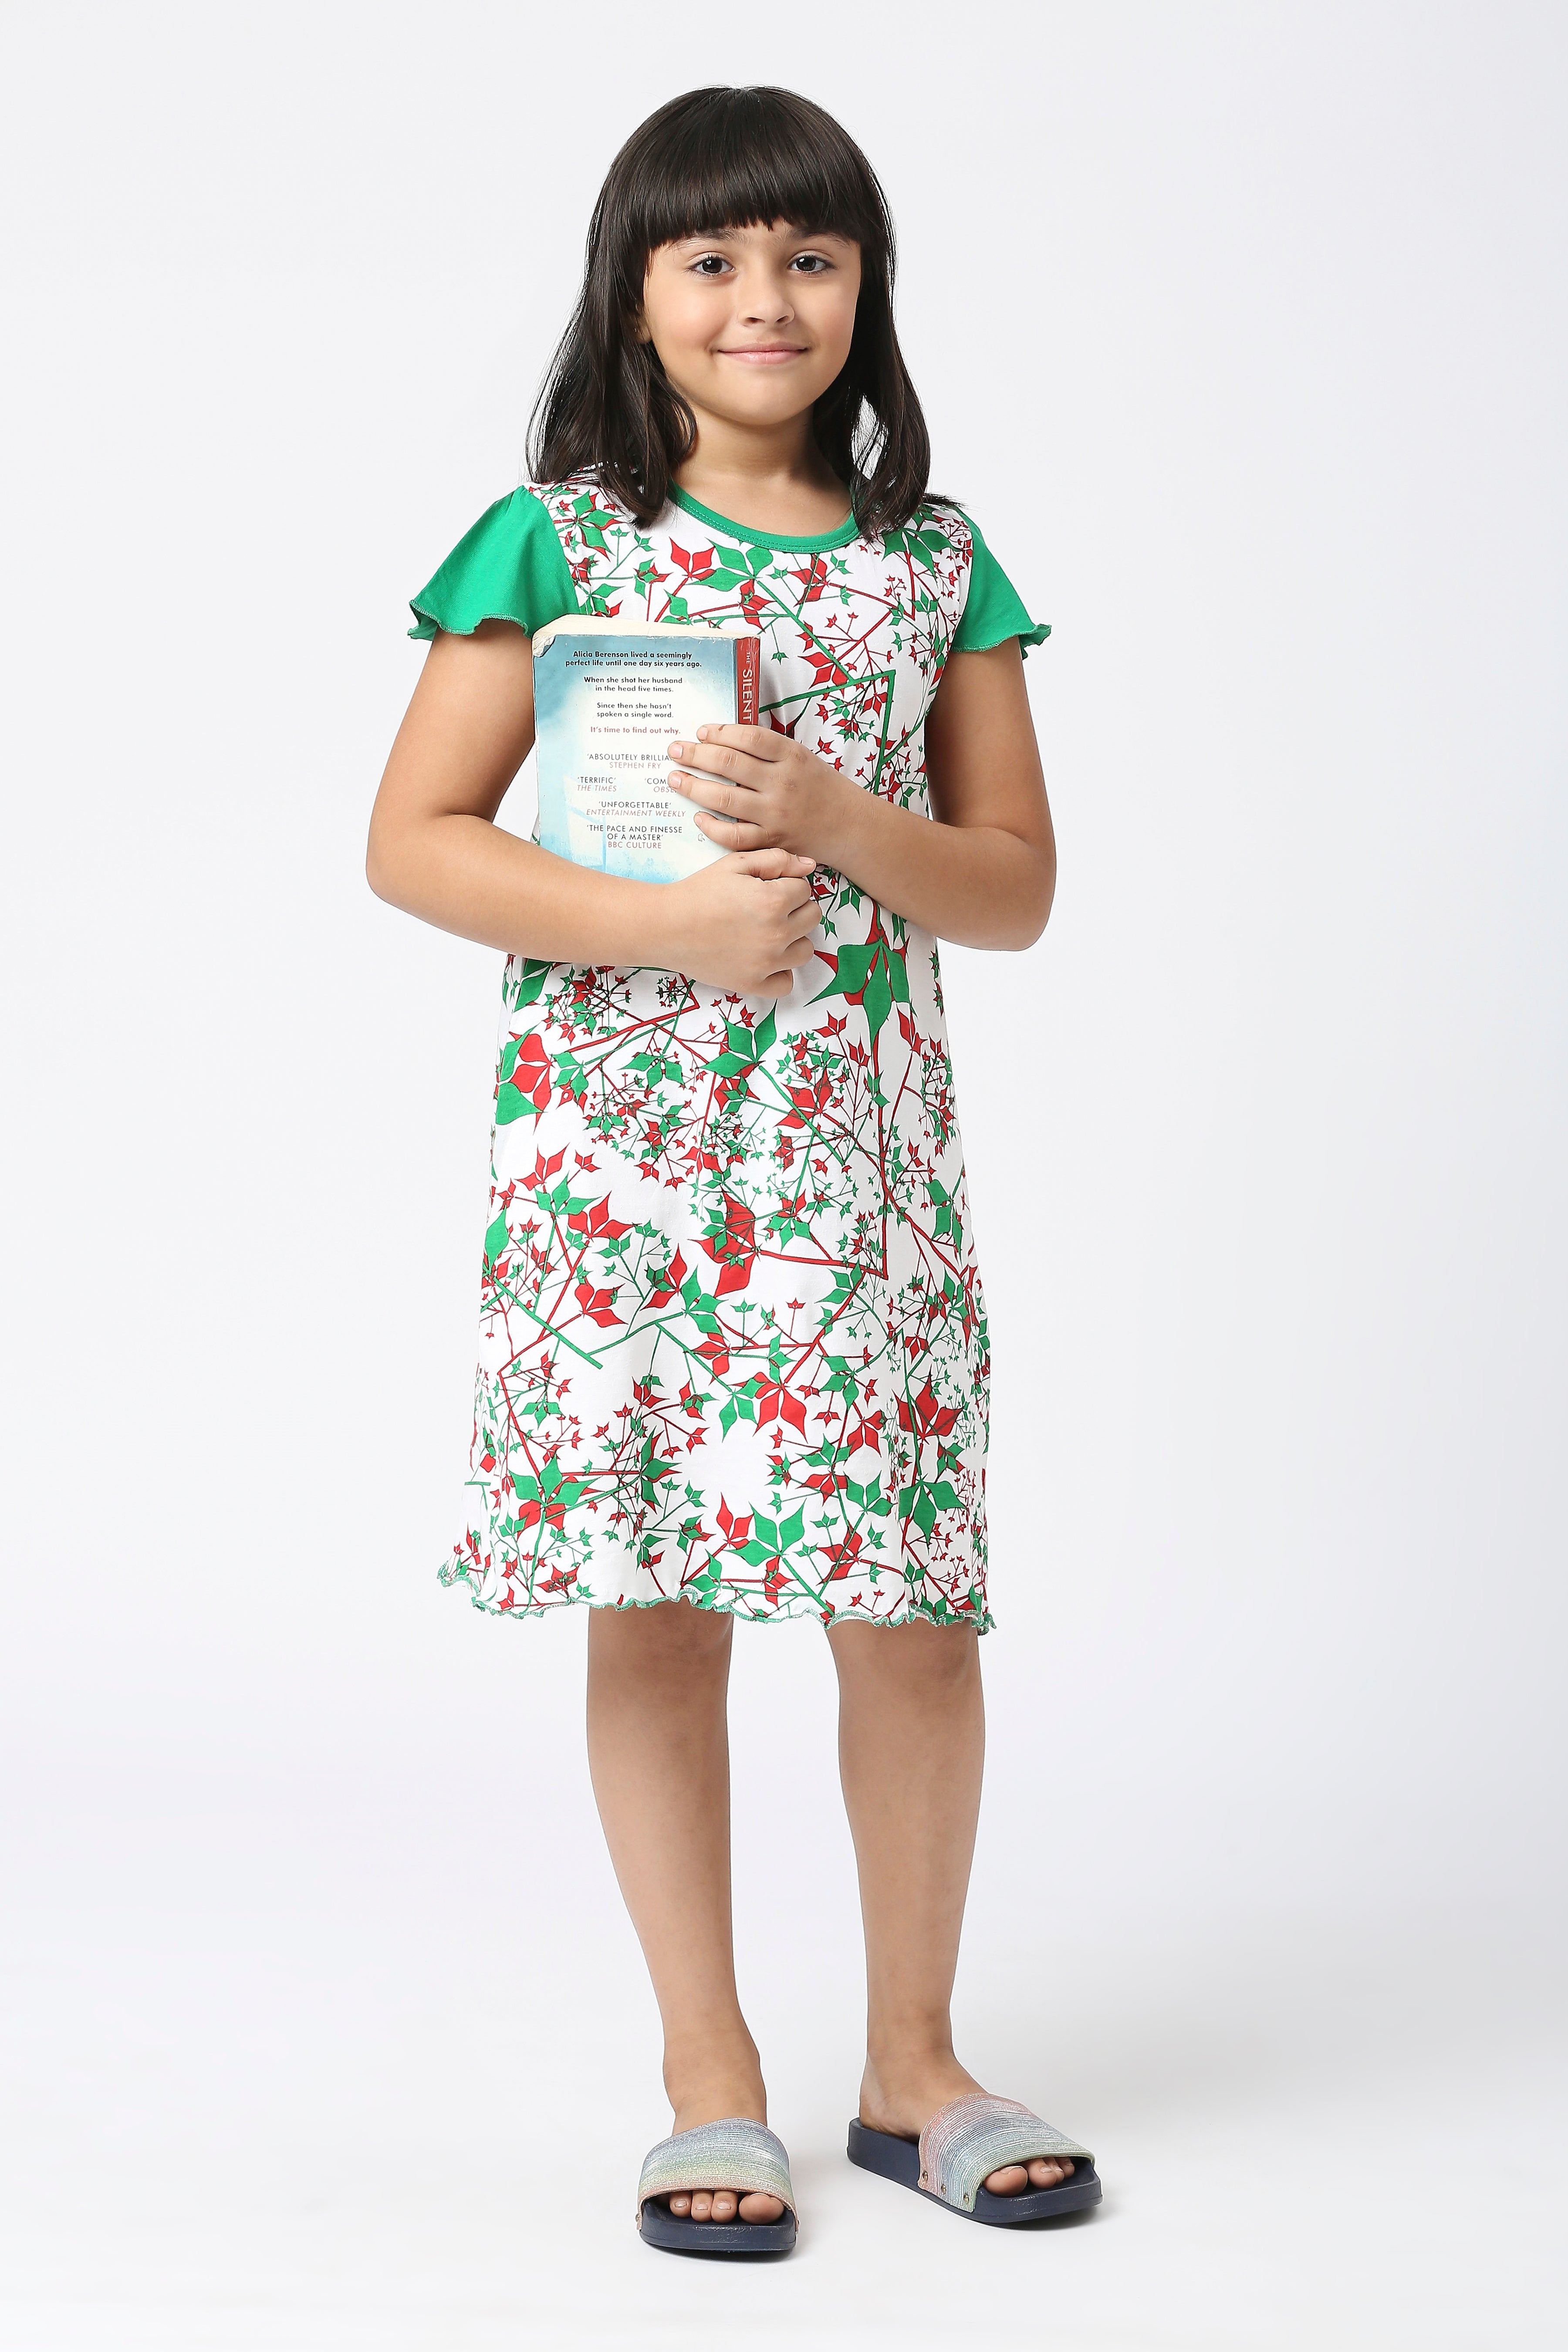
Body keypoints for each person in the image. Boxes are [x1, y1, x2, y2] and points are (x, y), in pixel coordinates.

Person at [367, 84, 1100, 2253]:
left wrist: (842, 824)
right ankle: (709, 2073)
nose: (762, 297)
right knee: (660, 1604)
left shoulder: (934, 564)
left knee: (914, 1615)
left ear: (867, 288)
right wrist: (674, 926)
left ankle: (914, 2068)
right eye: (711, 258)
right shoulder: (560, 545)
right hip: (626, 1188)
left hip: (860, 1184)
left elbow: (1016, 888)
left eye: (809, 255)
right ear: (636, 294)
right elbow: (416, 843)